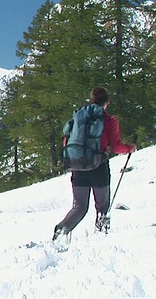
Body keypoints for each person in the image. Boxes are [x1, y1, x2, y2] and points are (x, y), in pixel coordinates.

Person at [53, 87, 137, 241]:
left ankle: (61, 231)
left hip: (77, 167)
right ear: (107, 103)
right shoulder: (109, 120)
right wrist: (130, 148)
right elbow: (117, 146)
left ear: (90, 100)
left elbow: (66, 140)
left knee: (79, 208)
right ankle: (101, 238)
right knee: (102, 207)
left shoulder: (78, 117)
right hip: (99, 167)